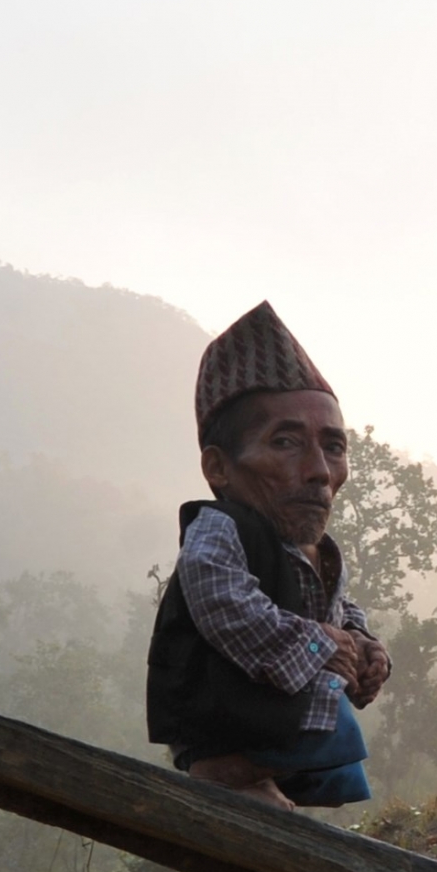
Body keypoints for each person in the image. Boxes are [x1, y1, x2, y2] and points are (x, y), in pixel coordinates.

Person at [146, 302, 390, 808]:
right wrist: (322, 643)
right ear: (218, 468)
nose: (320, 472)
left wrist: (363, 643)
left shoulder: (310, 551)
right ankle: (230, 770)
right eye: (285, 442)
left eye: (334, 447)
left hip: (273, 714)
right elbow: (225, 602)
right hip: (222, 717)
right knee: (326, 732)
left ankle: (273, 776)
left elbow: (339, 610)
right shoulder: (218, 532)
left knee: (335, 759)